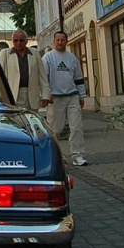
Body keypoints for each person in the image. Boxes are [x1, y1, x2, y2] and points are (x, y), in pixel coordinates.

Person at [42, 30, 88, 167]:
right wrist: (47, 94)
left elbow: (78, 78)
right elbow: (44, 78)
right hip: (55, 98)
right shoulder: (48, 58)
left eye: (63, 40)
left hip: (72, 96)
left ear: (66, 41)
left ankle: (78, 155)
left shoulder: (72, 58)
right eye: (58, 40)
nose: (60, 42)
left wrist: (81, 96)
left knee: (76, 127)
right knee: (55, 129)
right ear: (53, 42)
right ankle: (55, 156)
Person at [0, 30, 50, 112]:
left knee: (31, 122)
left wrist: (45, 95)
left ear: (26, 41)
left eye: (21, 40)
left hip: (31, 95)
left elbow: (42, 76)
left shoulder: (35, 53)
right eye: (15, 40)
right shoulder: (5, 53)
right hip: (13, 95)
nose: (18, 43)